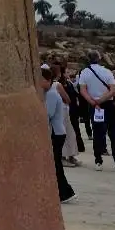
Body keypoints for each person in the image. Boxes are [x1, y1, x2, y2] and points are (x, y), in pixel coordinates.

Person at [77, 52, 115, 169]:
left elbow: (82, 90)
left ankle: (98, 161)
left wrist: (94, 102)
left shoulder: (84, 72)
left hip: (94, 105)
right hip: (107, 104)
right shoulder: (107, 71)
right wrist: (101, 100)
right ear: (99, 59)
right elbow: (113, 90)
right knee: (113, 133)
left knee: (97, 133)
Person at [42, 66, 75, 203]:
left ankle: (66, 192)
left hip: (56, 133)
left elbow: (47, 115)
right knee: (55, 164)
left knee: (56, 164)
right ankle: (63, 191)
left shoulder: (51, 94)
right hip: (57, 132)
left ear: (48, 80)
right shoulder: (48, 92)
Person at [52, 60, 84, 164]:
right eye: (65, 72)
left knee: (71, 134)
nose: (68, 74)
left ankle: (71, 156)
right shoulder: (58, 84)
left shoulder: (68, 83)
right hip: (62, 111)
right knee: (64, 134)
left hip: (70, 111)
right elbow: (67, 98)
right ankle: (63, 157)